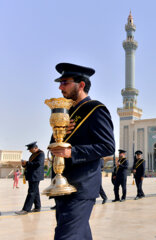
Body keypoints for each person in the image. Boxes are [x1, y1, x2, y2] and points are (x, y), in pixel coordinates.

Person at [49, 63, 115, 240]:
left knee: (66, 236)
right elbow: (54, 147)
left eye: (65, 82)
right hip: (62, 185)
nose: (60, 87)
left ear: (81, 84)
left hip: (81, 187)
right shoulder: (65, 112)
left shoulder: (96, 110)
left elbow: (108, 146)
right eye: (60, 83)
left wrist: (73, 152)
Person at [15, 142, 45, 215]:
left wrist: (27, 163)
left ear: (35, 148)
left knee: (31, 192)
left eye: (30, 149)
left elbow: (38, 164)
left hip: (35, 176)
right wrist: (24, 165)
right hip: (32, 175)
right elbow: (31, 165)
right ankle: (37, 207)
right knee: (35, 191)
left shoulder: (41, 154)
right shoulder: (33, 154)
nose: (29, 151)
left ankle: (26, 209)